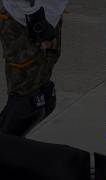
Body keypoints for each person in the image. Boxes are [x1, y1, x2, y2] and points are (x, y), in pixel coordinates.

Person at [0, 0, 68, 136]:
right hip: (23, 19)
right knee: (25, 103)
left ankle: (9, 145)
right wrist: (35, 18)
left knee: (44, 98)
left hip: (48, 18)